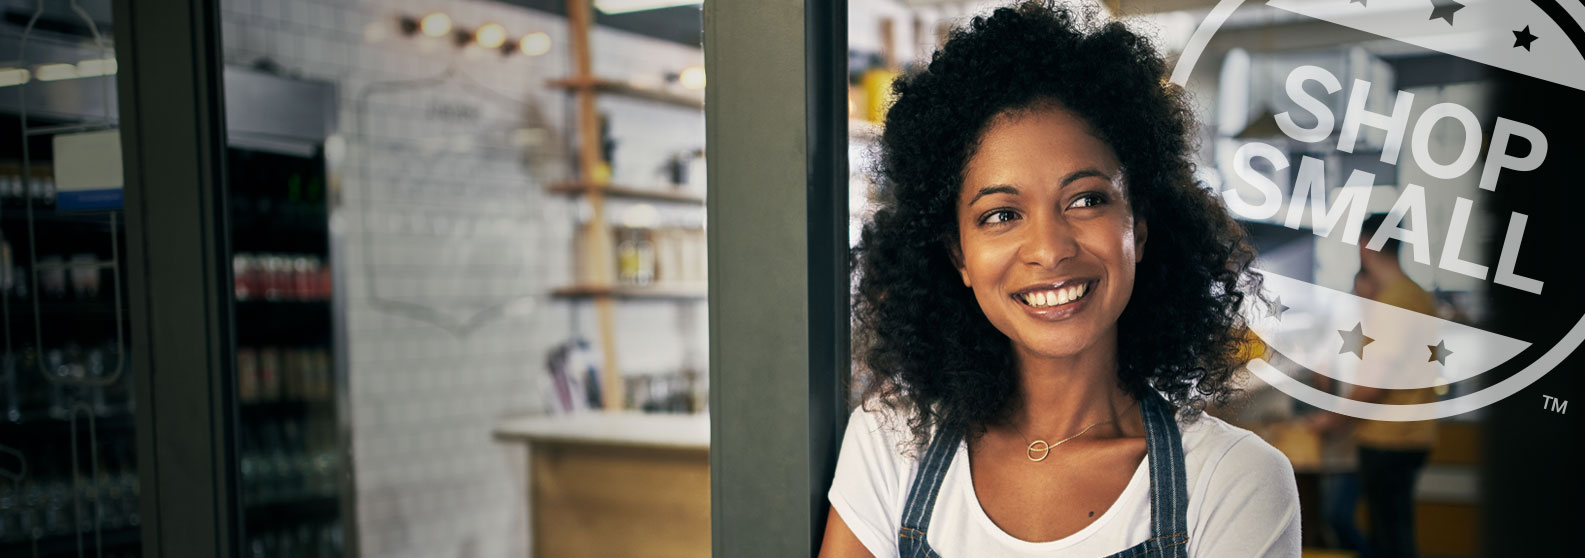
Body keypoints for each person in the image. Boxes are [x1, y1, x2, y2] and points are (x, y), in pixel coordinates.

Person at [819, 3, 1301, 557]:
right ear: (960, 256)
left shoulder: (1233, 482)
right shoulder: (891, 445)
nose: (1049, 250)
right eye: (1001, 214)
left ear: (1138, 230)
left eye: (1086, 200)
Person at [1307, 213, 1439, 558]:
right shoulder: (1417, 295)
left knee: (1390, 540)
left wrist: (1332, 421)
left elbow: (1374, 383)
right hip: (1413, 434)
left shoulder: (1394, 300)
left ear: (1366, 246)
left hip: (1389, 438)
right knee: (1394, 533)